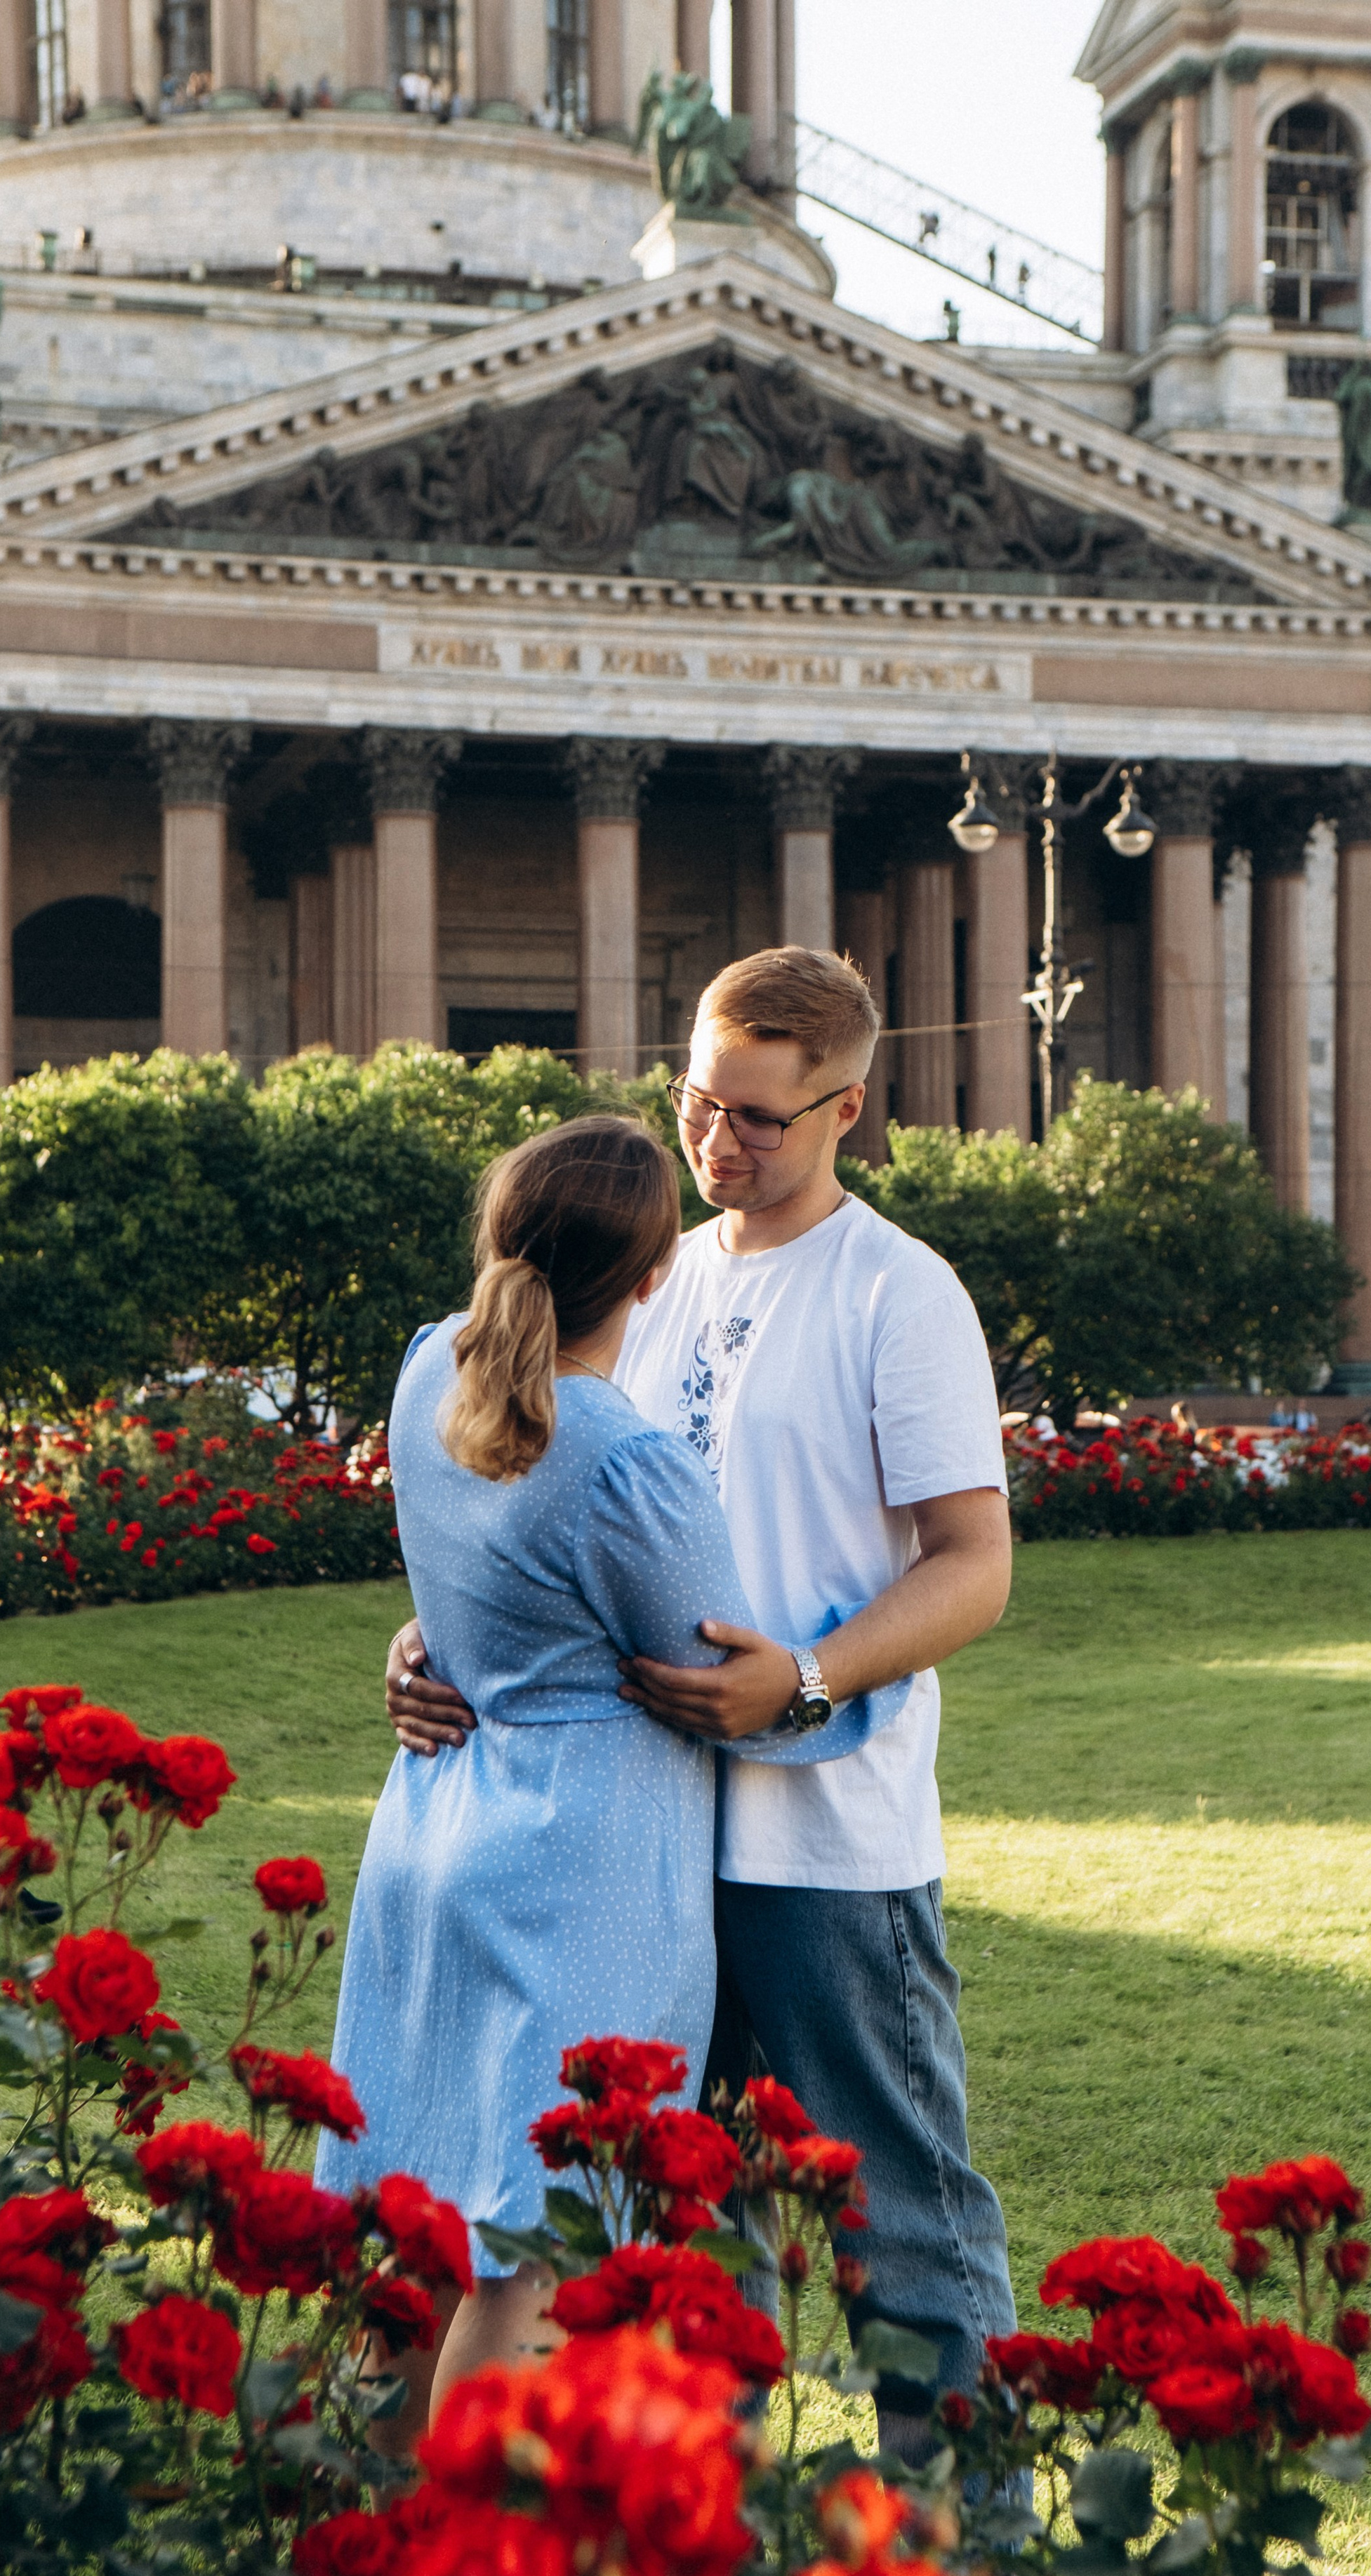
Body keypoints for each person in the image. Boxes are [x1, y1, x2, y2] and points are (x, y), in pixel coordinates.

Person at [389, 947, 1018, 2452]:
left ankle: (979, 2547)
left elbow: (974, 1564)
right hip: (636, 1855)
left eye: (755, 1119)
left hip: (821, 1848)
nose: (714, 1141)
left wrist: (801, 1679)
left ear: (846, 1112)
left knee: (894, 2217)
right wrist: (432, 1639)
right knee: (673, 2236)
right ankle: (708, 2555)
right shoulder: (647, 1272)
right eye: (693, 1099)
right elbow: (542, 1497)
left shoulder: (897, 1292)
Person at [324, 1112, 890, 2451]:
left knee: (419, 2225)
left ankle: (365, 2556)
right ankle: (474, 2574)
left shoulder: (424, 1375)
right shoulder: (631, 1465)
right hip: (583, 1871)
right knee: (537, 2246)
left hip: (430, 1828)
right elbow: (727, 1688)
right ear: (652, 1281)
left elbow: (465, 1593)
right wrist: (858, 1681)